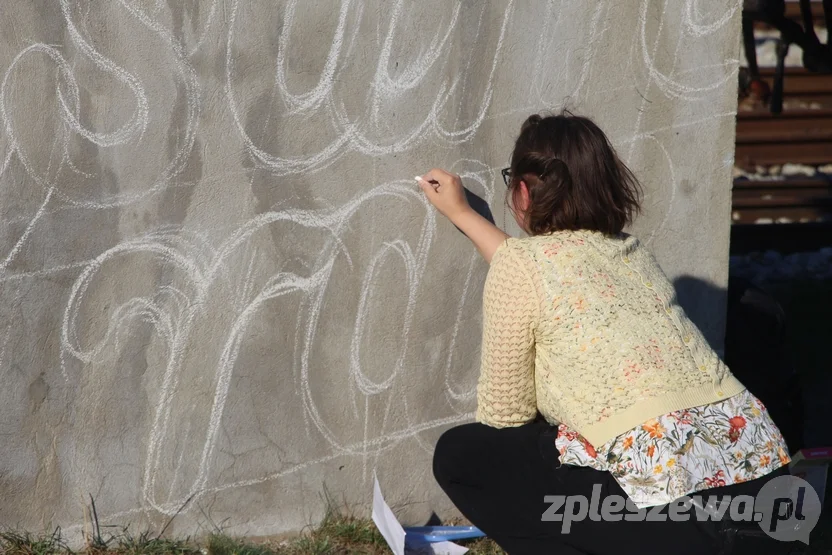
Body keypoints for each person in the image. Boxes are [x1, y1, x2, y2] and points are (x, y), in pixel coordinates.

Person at [417, 111, 792, 555]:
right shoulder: (631, 252)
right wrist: (463, 213)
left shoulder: (522, 268)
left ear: (521, 189)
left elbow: (506, 414)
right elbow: (542, 266)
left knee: (462, 455)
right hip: (772, 513)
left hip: (687, 531)